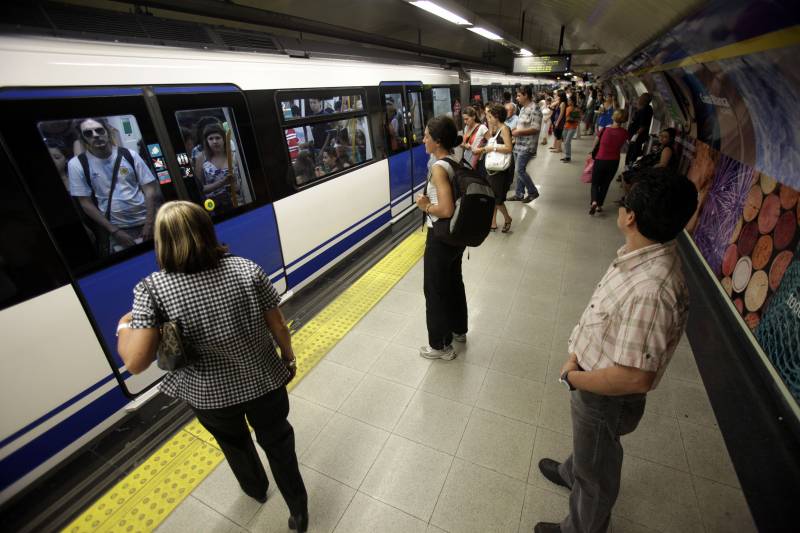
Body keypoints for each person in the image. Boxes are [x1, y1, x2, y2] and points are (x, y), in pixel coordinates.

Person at [116, 201, 309, 532]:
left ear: (161, 241)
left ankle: (256, 490)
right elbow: (278, 326)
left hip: (209, 394)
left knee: (234, 443)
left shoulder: (151, 290)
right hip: (264, 380)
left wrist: (123, 326)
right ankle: (298, 512)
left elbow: (135, 363)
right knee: (279, 444)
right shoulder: (247, 269)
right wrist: (288, 357)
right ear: (207, 230)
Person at [533, 170, 698, 533]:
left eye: (623, 202)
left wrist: (574, 376)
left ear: (631, 217)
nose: (619, 206)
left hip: (602, 393)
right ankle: (570, 471)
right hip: (591, 375)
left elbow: (634, 377)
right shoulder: (644, 253)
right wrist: (577, 355)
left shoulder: (652, 290)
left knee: (598, 472)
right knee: (591, 447)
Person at [415, 116, 466, 361]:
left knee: (435, 290)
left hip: (442, 235)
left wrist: (425, 206)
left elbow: (445, 209)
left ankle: (440, 346)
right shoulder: (456, 157)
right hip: (457, 236)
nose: (422, 139)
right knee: (454, 280)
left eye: (426, 136)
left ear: (437, 142)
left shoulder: (438, 167)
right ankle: (459, 329)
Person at [67, 117, 160, 252]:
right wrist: (114, 231)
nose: (95, 135)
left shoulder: (129, 155)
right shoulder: (77, 164)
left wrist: (150, 222)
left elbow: (149, 188)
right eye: (88, 133)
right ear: (83, 138)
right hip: (116, 227)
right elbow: (85, 203)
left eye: (99, 130)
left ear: (107, 131)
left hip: (146, 219)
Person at [473, 103, 514, 232]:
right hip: (492, 168)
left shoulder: (505, 129)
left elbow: (508, 148)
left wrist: (490, 148)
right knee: (493, 196)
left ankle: (507, 218)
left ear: (497, 117)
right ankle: (493, 221)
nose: (488, 119)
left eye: (490, 117)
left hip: (500, 170)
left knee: (497, 199)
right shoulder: (495, 129)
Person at [589, 109, 630, 215]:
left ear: (613, 117)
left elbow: (595, 142)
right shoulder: (625, 133)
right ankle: (599, 205)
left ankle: (594, 201)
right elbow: (626, 146)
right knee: (605, 184)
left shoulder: (604, 130)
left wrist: (591, 153)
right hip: (614, 161)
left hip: (600, 159)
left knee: (595, 183)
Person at [199, 123, 244, 212]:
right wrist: (222, 182)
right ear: (206, 141)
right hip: (214, 207)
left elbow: (243, 182)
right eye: (211, 138)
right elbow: (201, 189)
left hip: (237, 203)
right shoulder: (201, 159)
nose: (214, 141)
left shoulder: (234, 156)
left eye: (217, 138)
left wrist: (237, 186)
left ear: (224, 139)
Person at [509, 84, 542, 202]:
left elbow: (535, 128)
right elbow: (521, 125)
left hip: (528, 145)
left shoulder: (535, 108)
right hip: (518, 144)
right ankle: (519, 193)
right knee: (518, 170)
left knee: (519, 170)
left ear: (526, 95)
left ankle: (533, 192)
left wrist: (518, 133)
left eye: (518, 95)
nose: (516, 98)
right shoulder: (522, 108)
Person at [625, 93, 654, 168]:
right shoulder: (647, 108)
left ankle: (628, 168)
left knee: (632, 154)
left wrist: (634, 137)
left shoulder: (644, 111)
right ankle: (628, 168)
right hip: (637, 136)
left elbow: (642, 126)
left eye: (640, 98)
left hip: (637, 137)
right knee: (632, 153)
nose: (638, 99)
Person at [561, 94, 580, 163]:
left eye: (569, 100)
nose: (568, 101)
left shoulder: (576, 108)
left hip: (572, 127)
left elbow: (577, 119)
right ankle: (566, 156)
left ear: (572, 101)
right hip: (566, 126)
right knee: (565, 142)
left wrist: (571, 118)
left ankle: (568, 157)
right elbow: (567, 118)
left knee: (567, 142)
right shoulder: (567, 108)